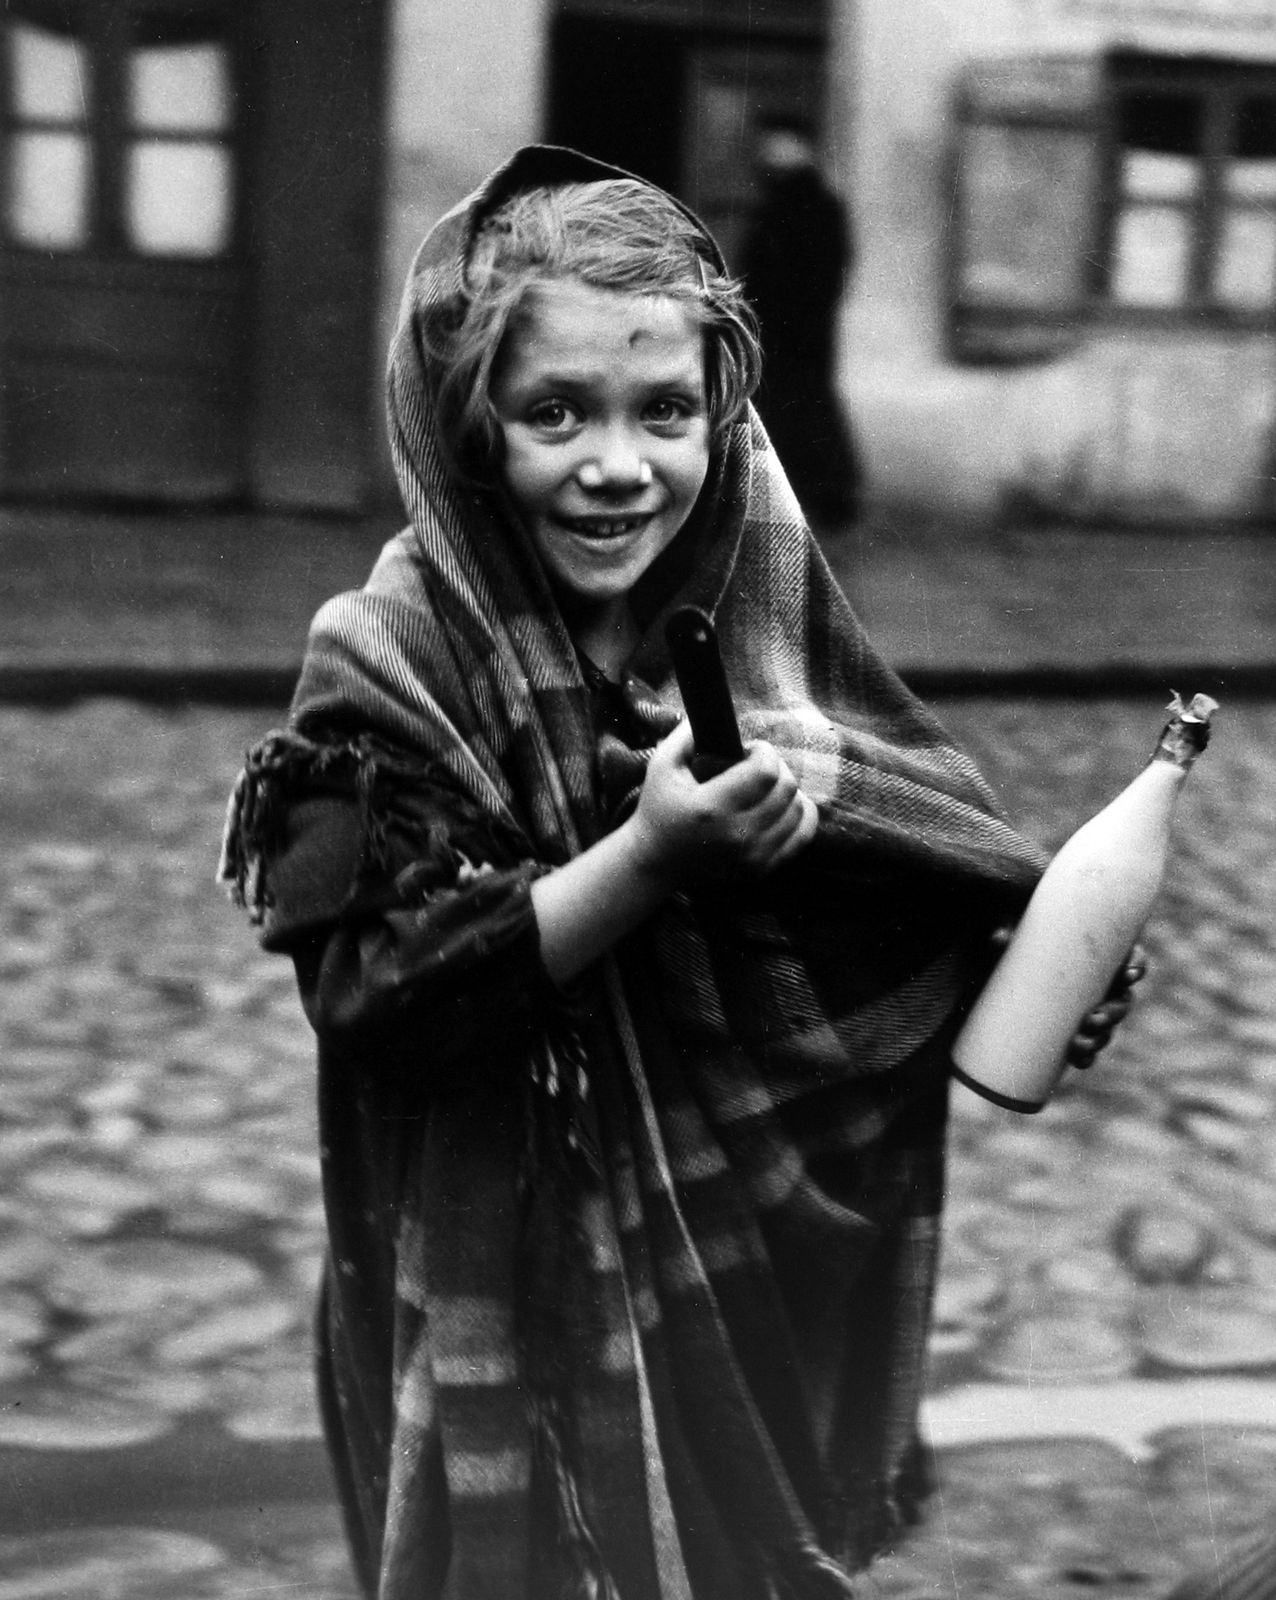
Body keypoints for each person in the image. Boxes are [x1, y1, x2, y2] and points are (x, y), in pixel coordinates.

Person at [220, 146, 1136, 1600]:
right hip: (496, 1293)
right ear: (472, 430)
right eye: (554, 413)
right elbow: (378, 994)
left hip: (733, 1286)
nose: (616, 465)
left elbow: (852, 930)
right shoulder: (385, 662)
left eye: (665, 412)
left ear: (725, 414)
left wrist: (1012, 976)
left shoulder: (764, 645)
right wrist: (647, 857)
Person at [739, 117, 860, 528]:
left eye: (776, 146)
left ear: (799, 147)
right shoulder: (786, 199)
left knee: (803, 404)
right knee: (795, 406)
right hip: (782, 325)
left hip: (797, 327)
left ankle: (831, 495)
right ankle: (817, 494)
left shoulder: (814, 204)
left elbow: (823, 272)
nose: (765, 155)